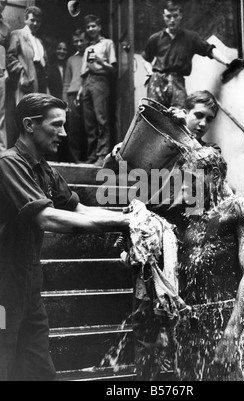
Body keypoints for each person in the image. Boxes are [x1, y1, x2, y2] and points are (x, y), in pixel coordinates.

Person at [0, 93, 130, 381]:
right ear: (29, 125)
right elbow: (47, 218)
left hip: (29, 285)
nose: (64, 133)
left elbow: (80, 208)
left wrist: (132, 216)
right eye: (56, 125)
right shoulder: (8, 164)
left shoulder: (45, 170)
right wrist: (122, 222)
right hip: (2, 287)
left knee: (39, 369)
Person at [176, 147, 244, 381]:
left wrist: (232, 333)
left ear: (214, 175)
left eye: (190, 178)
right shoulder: (193, 213)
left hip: (225, 319)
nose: (184, 185)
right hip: (191, 325)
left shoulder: (241, 208)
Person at [142, 0, 232, 109]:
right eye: (168, 16)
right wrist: (151, 73)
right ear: (163, 17)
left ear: (181, 16)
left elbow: (209, 50)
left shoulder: (190, 38)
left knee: (179, 114)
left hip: (177, 82)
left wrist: (228, 62)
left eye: (175, 16)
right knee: (154, 115)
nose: (172, 20)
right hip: (157, 81)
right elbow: (146, 58)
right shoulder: (155, 38)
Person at [80, 15, 117, 166]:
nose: (91, 29)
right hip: (87, 83)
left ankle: (102, 155)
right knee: (89, 123)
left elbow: (113, 69)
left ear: (99, 27)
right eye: (88, 27)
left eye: (93, 26)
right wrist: (81, 91)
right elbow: (83, 72)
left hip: (101, 81)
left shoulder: (107, 43)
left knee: (102, 119)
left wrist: (101, 61)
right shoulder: (88, 48)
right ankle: (92, 156)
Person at [7, 6, 48, 104]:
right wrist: (22, 72)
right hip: (27, 77)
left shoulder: (39, 41)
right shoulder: (17, 34)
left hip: (40, 77)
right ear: (25, 19)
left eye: (38, 21)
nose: (35, 24)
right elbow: (10, 57)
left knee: (39, 108)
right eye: (32, 20)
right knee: (27, 108)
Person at [63, 29, 87, 163]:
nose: (79, 43)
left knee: (88, 127)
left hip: (87, 95)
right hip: (72, 96)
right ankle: (75, 159)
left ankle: (88, 158)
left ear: (86, 40)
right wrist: (64, 102)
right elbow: (66, 83)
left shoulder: (90, 56)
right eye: (76, 41)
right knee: (73, 129)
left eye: (81, 40)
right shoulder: (71, 59)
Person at [0, 0, 10, 152]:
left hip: (0, 72)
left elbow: (5, 50)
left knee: (1, 112)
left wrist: (6, 70)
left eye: (3, 2)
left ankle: (1, 148)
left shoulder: (6, 28)